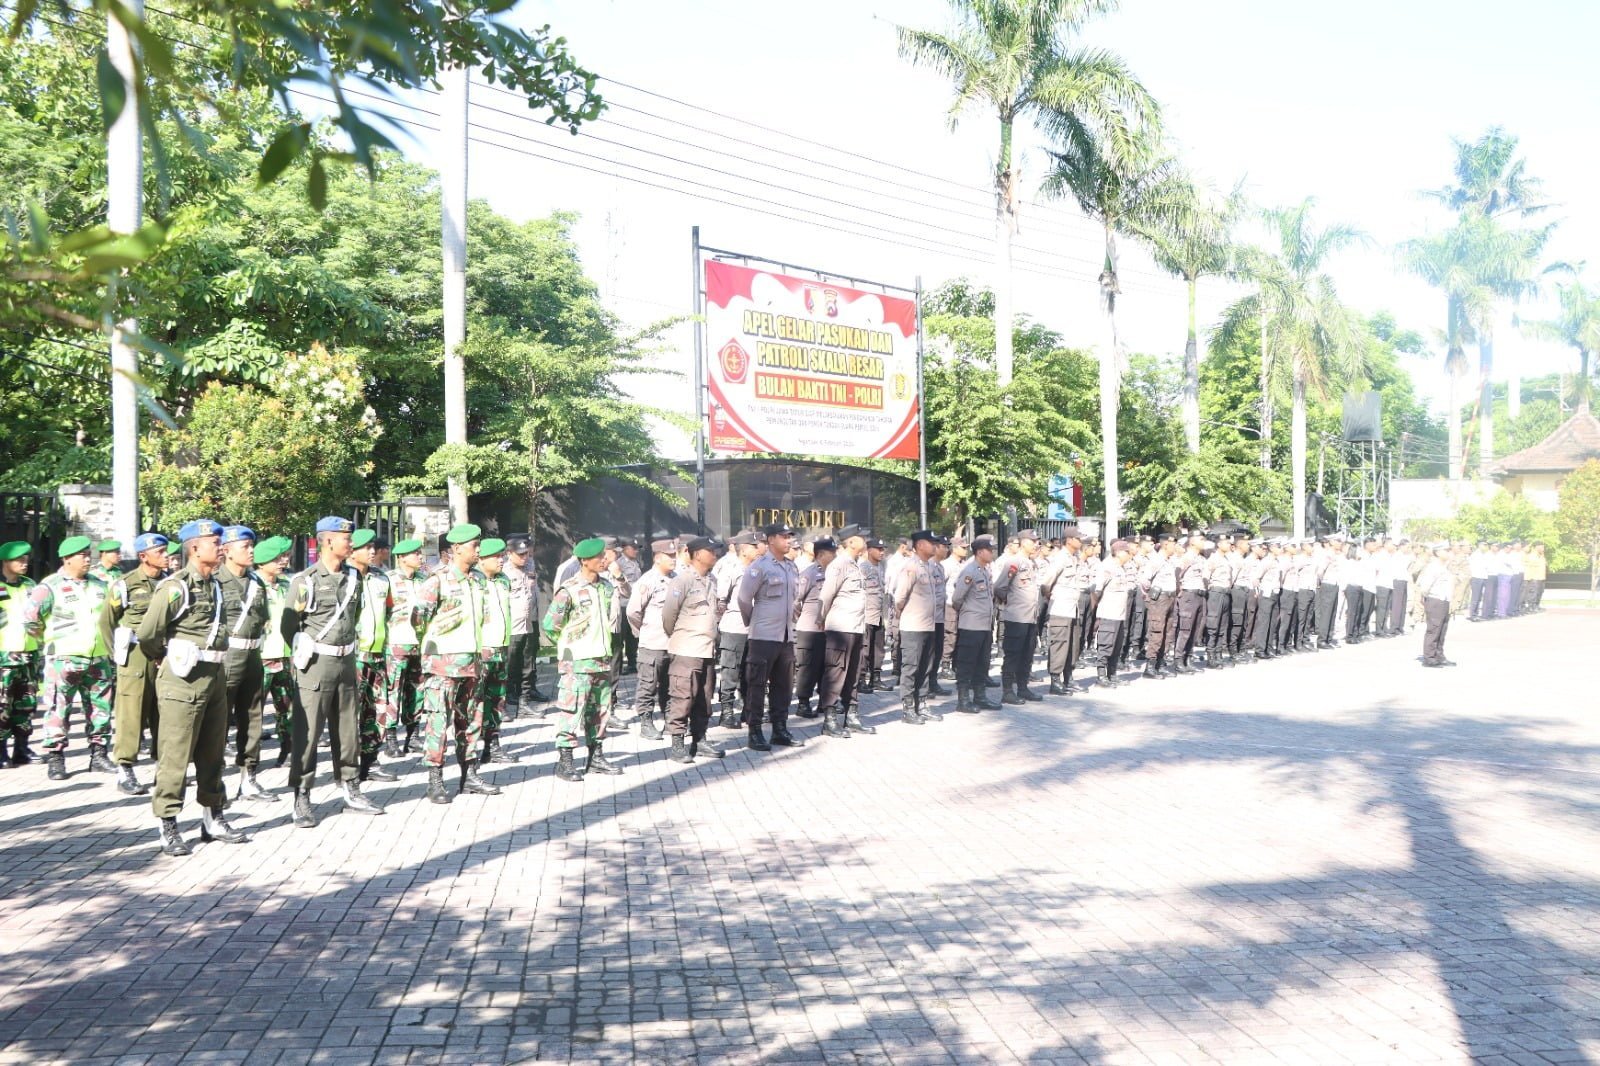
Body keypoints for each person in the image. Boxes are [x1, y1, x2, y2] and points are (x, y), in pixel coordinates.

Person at [135, 519, 248, 856]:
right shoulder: (175, 586)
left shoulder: (215, 584)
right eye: (214, 542)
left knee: (213, 752)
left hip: (214, 674)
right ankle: (168, 823)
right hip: (182, 678)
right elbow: (148, 634)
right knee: (176, 753)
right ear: (194, 548)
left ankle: (213, 817)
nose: (221, 546)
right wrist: (165, 657)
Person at [280, 515, 383, 826]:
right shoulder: (305, 581)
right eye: (344, 537)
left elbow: (356, 614)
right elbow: (289, 627)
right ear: (327, 541)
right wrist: (304, 648)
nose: (350, 542)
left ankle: (351, 787)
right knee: (308, 732)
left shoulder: (354, 577)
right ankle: (302, 796)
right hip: (316, 664)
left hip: (346, 661)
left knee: (348, 729)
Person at [413, 525, 502, 802]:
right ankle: (435, 779)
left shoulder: (477, 579)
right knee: (439, 721)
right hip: (443, 665)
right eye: (474, 546)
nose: (478, 550)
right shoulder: (436, 580)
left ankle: (470, 774)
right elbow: (418, 620)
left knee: (472, 720)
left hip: (472, 663)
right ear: (457, 549)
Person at [24, 535, 116, 780]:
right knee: (58, 709)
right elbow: (30, 620)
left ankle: (99, 754)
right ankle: (56, 759)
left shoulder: (99, 584)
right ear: (67, 559)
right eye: (82, 556)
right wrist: (51, 640)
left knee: (100, 708)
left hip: (98, 658)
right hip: (64, 659)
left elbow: (110, 617)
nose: (87, 559)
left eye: (88, 555)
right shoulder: (49, 586)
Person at [541, 536, 624, 781]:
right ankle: (565, 761)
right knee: (571, 710)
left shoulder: (606, 586)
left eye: (604, 556)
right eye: (598, 557)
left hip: (601, 658)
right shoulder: (569, 590)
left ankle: (596, 756)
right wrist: (570, 646)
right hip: (576, 661)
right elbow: (550, 625)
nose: (603, 560)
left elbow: (619, 601)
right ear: (584, 561)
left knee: (600, 710)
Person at [98, 533, 169, 794]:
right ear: (143, 557)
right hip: (136, 655)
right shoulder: (125, 584)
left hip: (164, 654)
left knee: (164, 710)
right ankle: (125, 769)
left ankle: (164, 765)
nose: (166, 556)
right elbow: (107, 622)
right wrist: (117, 656)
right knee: (132, 713)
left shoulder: (171, 583)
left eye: (165, 551)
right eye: (159, 552)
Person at [216, 525, 276, 802]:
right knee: (218, 720)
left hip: (253, 656)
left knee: (252, 718)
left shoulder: (255, 582)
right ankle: (214, 779)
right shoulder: (215, 580)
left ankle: (249, 777)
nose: (251, 551)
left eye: (252, 546)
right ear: (226, 551)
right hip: (226, 657)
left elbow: (262, 617)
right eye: (245, 546)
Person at [738, 521, 805, 751]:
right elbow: (744, 599)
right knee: (757, 685)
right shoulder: (760, 567)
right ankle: (755, 731)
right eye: (784, 537)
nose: (789, 541)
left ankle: (780, 729)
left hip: (786, 636)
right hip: (763, 636)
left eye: (790, 537)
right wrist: (753, 623)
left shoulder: (791, 567)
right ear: (771, 540)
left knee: (783, 685)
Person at [660, 536, 723, 762]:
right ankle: (678, 743)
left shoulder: (712, 580)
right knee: (682, 696)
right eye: (711, 551)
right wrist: (679, 637)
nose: (715, 554)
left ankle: (700, 739)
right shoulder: (682, 581)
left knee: (704, 698)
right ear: (697, 554)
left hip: (707, 649)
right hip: (687, 649)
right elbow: (668, 616)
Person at [346, 528, 398, 785]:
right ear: (351, 551)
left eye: (373, 548)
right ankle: (348, 766)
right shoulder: (344, 578)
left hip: (377, 654)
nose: (372, 552)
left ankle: (370, 760)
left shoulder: (381, 578)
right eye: (365, 548)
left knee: (375, 711)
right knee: (350, 712)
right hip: (352, 656)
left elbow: (388, 612)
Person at [817, 524, 874, 739]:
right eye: (861, 537)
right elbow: (825, 596)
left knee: (853, 673)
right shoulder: (839, 565)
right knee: (835, 672)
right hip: (840, 628)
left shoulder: (856, 564)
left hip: (856, 627)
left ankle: (852, 715)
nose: (865, 540)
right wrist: (820, 619)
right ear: (850, 542)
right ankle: (830, 719)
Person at [626, 537, 678, 740]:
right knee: (648, 683)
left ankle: (670, 721)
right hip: (653, 642)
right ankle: (646, 722)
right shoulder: (648, 581)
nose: (673, 559)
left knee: (669, 684)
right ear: (657, 558)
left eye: (674, 555)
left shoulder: (678, 578)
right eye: (669, 556)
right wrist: (644, 632)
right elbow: (633, 612)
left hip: (673, 643)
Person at [253, 537, 298, 770]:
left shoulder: (286, 584)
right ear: (262, 562)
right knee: (253, 711)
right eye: (277, 558)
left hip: (285, 655)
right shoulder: (252, 585)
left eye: (284, 557)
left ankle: (287, 750)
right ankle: (251, 758)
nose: (283, 561)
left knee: (287, 707)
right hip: (260, 658)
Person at [475, 538, 519, 765]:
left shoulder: (503, 580)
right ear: (482, 559)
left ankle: (492, 746)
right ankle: (470, 752)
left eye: (502, 556)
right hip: (480, 651)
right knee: (476, 703)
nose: (501, 560)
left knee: (497, 700)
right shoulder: (474, 581)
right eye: (496, 557)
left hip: (500, 649)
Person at [384, 538, 428, 755]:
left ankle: (413, 736)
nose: (420, 557)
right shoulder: (389, 580)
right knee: (393, 691)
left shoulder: (425, 580)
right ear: (401, 558)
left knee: (417, 691)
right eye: (415, 554)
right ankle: (390, 738)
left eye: (420, 553)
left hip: (419, 645)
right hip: (395, 644)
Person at [893, 531, 941, 725]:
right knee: (911, 667)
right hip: (913, 626)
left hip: (928, 626)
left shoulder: (928, 566)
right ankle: (908, 708)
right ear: (920, 545)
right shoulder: (911, 567)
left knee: (925, 667)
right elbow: (899, 598)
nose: (935, 546)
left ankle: (921, 703)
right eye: (931, 543)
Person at [0, 540, 40, 769]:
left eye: (26, 559)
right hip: (4, 654)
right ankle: (1, 750)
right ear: (6, 562)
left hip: (28, 653)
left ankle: (22, 748)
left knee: (26, 703)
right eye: (19, 560)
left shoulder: (30, 585)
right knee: (2, 704)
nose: (25, 563)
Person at [713, 531, 758, 729]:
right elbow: (720, 599)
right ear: (744, 549)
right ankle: (727, 712)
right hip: (734, 627)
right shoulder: (731, 568)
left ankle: (748, 711)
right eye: (754, 546)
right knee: (730, 671)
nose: (758, 549)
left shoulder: (757, 569)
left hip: (754, 629)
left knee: (750, 673)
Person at [993, 529, 1042, 702]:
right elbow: (999, 586)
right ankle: (1007, 691)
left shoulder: (1031, 563)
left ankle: (1023, 688)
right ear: (1024, 542)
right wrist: (1009, 602)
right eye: (1034, 541)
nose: (1037, 544)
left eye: (1037, 541)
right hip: (1016, 617)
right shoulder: (1014, 562)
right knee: (1013, 654)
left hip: (1031, 617)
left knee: (1027, 654)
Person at [950, 534, 998, 712]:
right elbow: (957, 598)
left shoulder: (984, 571)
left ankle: (980, 697)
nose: (992, 552)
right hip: (971, 625)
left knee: (982, 663)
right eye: (989, 549)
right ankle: (963, 700)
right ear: (979, 552)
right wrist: (967, 613)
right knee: (966, 663)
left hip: (984, 626)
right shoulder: (969, 571)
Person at [504, 536, 548, 715]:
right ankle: (506, 702)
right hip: (512, 628)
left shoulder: (530, 565)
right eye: (520, 554)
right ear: (509, 554)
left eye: (526, 554)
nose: (525, 557)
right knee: (509, 666)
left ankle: (524, 703)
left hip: (529, 623)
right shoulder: (504, 572)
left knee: (527, 665)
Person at [1040, 527, 1087, 695]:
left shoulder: (1074, 557)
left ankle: (1068, 678)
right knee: (1059, 645)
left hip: (1073, 608)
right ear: (1069, 540)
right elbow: (1046, 583)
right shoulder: (1060, 558)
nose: (1081, 542)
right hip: (1060, 608)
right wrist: (1051, 597)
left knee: (1073, 646)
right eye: (1079, 539)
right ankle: (1055, 681)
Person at [792, 537, 833, 719]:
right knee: (807, 667)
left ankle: (825, 702)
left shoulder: (834, 573)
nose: (835, 555)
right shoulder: (808, 574)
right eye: (832, 552)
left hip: (830, 630)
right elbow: (795, 601)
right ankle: (803, 703)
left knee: (827, 668)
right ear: (821, 554)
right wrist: (806, 618)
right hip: (809, 630)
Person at [1091, 540, 1136, 686]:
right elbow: (1096, 591)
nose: (1130, 555)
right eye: (1127, 552)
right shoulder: (1107, 567)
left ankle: (1112, 673)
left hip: (1120, 614)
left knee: (1117, 646)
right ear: (1118, 552)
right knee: (1106, 645)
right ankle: (1101, 675)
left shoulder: (1121, 568)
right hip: (1108, 613)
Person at [1138, 535, 1179, 679]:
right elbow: (1144, 580)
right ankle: (1150, 667)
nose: (1175, 547)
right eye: (1173, 544)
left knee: (1168, 632)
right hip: (1160, 599)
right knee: (1157, 632)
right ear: (1166, 544)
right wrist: (1151, 595)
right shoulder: (1156, 560)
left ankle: (1160, 663)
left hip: (1170, 597)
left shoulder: (1170, 560)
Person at [1417, 543, 1457, 668]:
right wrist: (1425, 598)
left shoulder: (1444, 567)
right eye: (1446, 550)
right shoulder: (1433, 567)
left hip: (1444, 600)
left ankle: (1439, 655)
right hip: (1435, 600)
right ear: (1438, 552)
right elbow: (1425, 587)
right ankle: (1429, 657)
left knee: (1442, 629)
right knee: (1434, 629)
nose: (1448, 552)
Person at [857, 537, 886, 696]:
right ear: (869, 550)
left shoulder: (881, 567)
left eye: (883, 549)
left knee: (878, 648)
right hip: (867, 614)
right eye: (878, 549)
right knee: (865, 649)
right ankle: (861, 679)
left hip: (879, 613)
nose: (882, 552)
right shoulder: (863, 568)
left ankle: (876, 677)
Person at [614, 537, 643, 674]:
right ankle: (618, 667)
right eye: (634, 548)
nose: (636, 551)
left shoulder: (636, 562)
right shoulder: (619, 563)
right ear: (625, 549)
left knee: (633, 636)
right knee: (621, 636)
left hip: (634, 604)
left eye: (637, 548)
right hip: (623, 604)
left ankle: (632, 663)